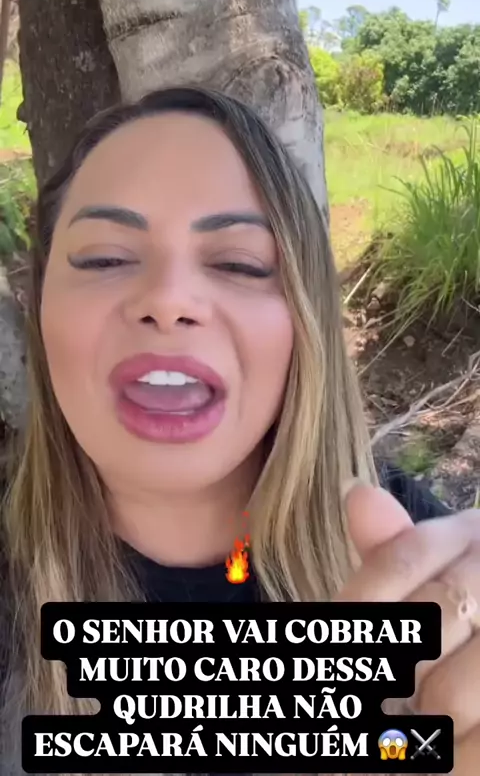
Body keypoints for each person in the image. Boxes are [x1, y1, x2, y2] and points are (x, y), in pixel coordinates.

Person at [0, 85, 478, 775]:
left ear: (305, 320)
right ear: (40, 305)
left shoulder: (418, 561)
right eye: (105, 257)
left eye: (239, 264)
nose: (168, 301)